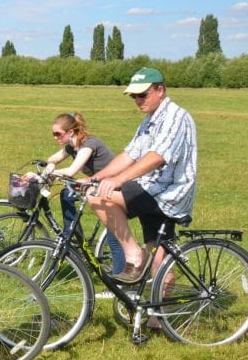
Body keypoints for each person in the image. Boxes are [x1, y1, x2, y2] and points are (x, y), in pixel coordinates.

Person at [87, 67, 197, 289]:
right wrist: (94, 178)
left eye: (142, 94)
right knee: (159, 261)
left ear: (160, 90)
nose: (138, 100)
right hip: (151, 188)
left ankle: (135, 255)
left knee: (97, 197)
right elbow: (129, 155)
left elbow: (157, 157)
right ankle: (158, 319)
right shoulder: (150, 119)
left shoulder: (176, 117)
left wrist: (118, 180)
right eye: (134, 96)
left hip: (170, 193)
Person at [39, 112, 126, 275]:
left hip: (116, 187)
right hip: (99, 185)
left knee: (114, 238)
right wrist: (50, 166)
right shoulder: (71, 146)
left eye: (58, 134)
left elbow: (72, 171)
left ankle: (119, 283)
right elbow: (53, 158)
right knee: (67, 192)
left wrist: (47, 174)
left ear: (71, 132)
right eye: (53, 134)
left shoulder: (88, 144)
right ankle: (73, 233)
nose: (55, 137)